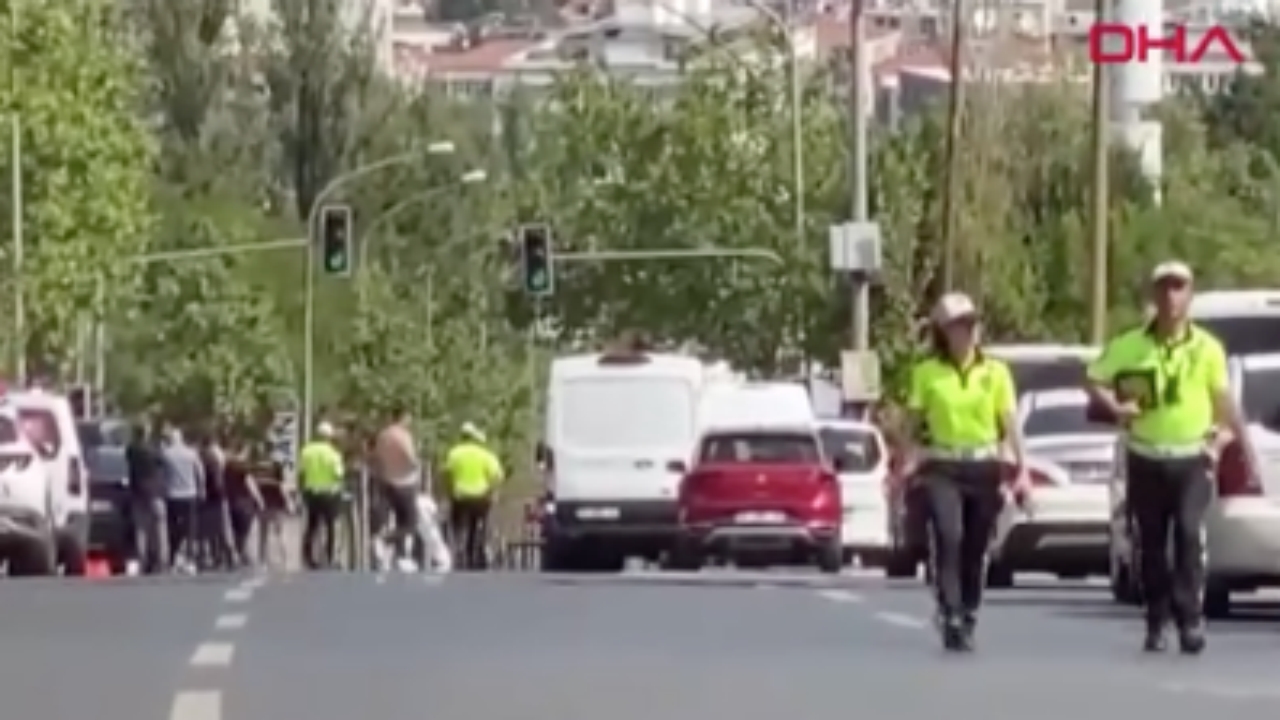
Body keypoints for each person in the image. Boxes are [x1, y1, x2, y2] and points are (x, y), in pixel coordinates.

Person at [1085, 260, 1258, 655]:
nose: (1171, 297)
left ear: (1190, 295)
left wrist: (1228, 442)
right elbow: (1094, 378)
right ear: (1154, 295)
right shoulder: (1131, 344)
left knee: (1187, 533)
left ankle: (1190, 617)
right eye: (1164, 288)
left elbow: (1224, 401)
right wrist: (1117, 407)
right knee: (1150, 542)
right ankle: (1155, 617)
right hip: (1145, 455)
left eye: (1178, 288)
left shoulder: (1207, 348)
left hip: (1192, 457)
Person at [901, 292, 1029, 652]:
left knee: (975, 545)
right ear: (944, 332)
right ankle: (950, 610)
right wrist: (905, 462)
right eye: (959, 326)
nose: (967, 332)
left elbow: (1010, 422)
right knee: (949, 535)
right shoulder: (927, 373)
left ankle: (969, 608)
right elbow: (914, 423)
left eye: (971, 325)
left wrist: (1022, 468)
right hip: (943, 465)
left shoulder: (996, 373)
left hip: (983, 466)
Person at [443, 422, 505, 570]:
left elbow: (446, 473)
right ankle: (477, 550)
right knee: (478, 524)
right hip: (480, 497)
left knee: (458, 525)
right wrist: (492, 491)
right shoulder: (486, 455)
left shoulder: (454, 453)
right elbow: (498, 476)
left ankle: (459, 550)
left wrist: (450, 491)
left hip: (460, 496)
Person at [373, 406, 424, 566]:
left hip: (387, 482)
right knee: (410, 523)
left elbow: (377, 457)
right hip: (405, 483)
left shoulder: (383, 435)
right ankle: (385, 539)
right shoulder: (403, 435)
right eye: (408, 418)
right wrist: (416, 465)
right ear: (403, 417)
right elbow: (410, 456)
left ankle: (399, 554)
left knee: (398, 520)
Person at [299, 421, 345, 570]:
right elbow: (338, 475)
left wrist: (303, 490)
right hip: (329, 494)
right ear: (329, 437)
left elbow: (301, 473)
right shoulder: (333, 453)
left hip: (311, 493)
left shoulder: (306, 451)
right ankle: (331, 557)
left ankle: (307, 557)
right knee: (331, 526)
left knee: (311, 525)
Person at [161, 426, 206, 573]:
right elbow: (200, 472)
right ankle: (190, 560)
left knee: (173, 529)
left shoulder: (166, 454)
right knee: (190, 529)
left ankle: (173, 559)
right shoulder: (191, 453)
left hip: (172, 495)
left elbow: (162, 474)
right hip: (190, 494)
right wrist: (201, 488)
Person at [125, 422, 167, 574]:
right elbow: (162, 462)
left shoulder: (131, 449)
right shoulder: (154, 449)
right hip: (155, 492)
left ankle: (143, 560)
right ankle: (161, 561)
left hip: (137, 492)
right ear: (146, 433)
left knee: (141, 529)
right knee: (159, 528)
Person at [225, 440, 265, 569]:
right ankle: (241, 555)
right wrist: (260, 500)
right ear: (242, 451)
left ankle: (235, 555)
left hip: (231, 501)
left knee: (235, 529)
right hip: (244, 501)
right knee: (244, 531)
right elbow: (250, 484)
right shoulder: (242, 467)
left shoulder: (227, 466)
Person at [199, 431, 235, 570]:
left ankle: (221, 557)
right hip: (218, 496)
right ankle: (225, 557)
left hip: (210, 497)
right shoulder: (216, 456)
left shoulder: (207, 457)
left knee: (214, 530)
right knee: (222, 528)